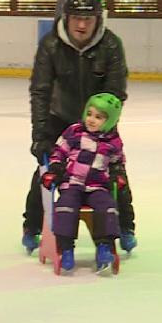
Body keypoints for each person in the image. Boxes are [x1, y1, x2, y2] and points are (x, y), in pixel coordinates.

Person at [24, 0, 135, 255]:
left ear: (99, 19)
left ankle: (126, 226)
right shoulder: (51, 45)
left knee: (113, 173)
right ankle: (32, 226)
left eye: (88, 18)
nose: (82, 25)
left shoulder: (110, 45)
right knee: (45, 173)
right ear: (66, 17)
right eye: (76, 18)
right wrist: (40, 135)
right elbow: (41, 90)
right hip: (59, 119)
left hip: (100, 122)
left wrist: (99, 124)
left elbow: (116, 91)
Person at [40, 93, 126, 273]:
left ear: (110, 121)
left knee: (107, 207)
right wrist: (55, 170)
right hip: (72, 183)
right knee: (65, 206)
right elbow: (59, 151)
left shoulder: (113, 142)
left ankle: (104, 245)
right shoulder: (75, 132)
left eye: (99, 117)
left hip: (97, 186)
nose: (91, 120)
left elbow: (117, 162)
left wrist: (118, 174)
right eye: (90, 113)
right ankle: (66, 247)